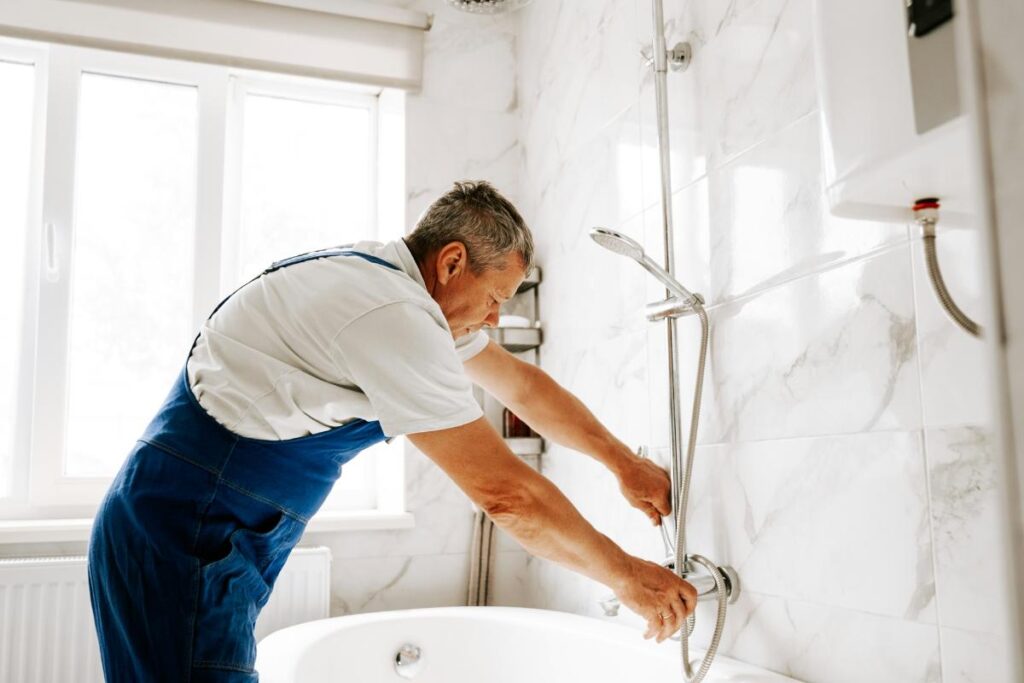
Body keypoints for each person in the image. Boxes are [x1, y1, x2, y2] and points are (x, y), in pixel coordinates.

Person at [87, 180, 697, 682]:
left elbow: (521, 386)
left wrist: (621, 462)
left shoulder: (396, 292)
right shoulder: (392, 314)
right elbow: (504, 495)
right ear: (452, 261)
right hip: (183, 532)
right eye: (494, 298)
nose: (495, 317)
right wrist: (626, 576)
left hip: (210, 532)